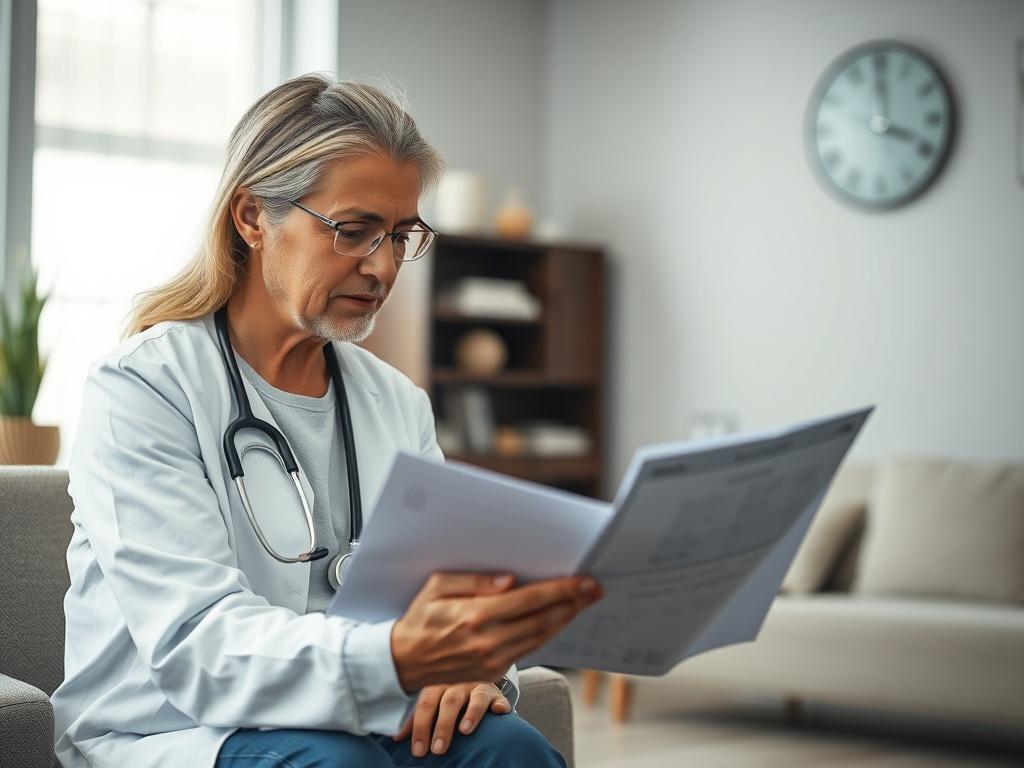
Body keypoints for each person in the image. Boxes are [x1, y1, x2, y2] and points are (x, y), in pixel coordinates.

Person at [51, 74, 603, 768]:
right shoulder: (144, 388)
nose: (381, 267)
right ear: (253, 217)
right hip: (175, 728)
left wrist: (473, 669)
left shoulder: (398, 403)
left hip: (364, 708)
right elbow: (198, 647)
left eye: (401, 236)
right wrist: (399, 657)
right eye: (354, 231)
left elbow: (445, 590)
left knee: (510, 750)